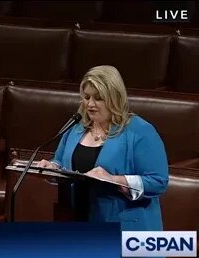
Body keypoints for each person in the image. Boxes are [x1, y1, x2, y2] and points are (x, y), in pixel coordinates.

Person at [37, 65, 168, 233]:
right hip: (76, 220)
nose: (90, 104)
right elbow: (61, 161)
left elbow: (158, 181)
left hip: (124, 228)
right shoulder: (76, 127)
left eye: (98, 98)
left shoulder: (140, 131)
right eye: (86, 97)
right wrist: (52, 168)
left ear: (114, 98)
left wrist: (114, 179)